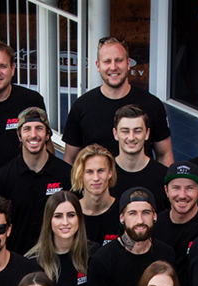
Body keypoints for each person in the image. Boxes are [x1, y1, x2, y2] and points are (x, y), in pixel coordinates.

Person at [63, 36, 173, 166]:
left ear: (128, 63)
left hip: (141, 179)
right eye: (107, 61)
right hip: (97, 178)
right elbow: (70, 160)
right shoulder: (81, 106)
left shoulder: (152, 104)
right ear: (98, 65)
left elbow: (164, 155)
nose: (113, 67)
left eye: (119, 60)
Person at [0, 107, 73, 254]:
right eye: (27, 129)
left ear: (47, 135)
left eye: (39, 128)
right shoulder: (4, 177)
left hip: (57, 256)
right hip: (17, 258)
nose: (33, 135)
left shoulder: (66, 174)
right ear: (19, 135)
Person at [110, 105, 169, 211]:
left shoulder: (163, 176)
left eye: (137, 131)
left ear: (147, 134)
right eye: (125, 131)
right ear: (115, 134)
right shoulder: (104, 175)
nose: (131, 137)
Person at [153, 162, 198, 273]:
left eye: (190, 188)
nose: (182, 195)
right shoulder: (154, 225)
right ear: (166, 191)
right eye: (176, 188)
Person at [71, 144, 121, 246]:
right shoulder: (70, 213)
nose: (96, 178)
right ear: (80, 174)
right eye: (89, 172)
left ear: (110, 173)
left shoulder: (123, 211)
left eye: (101, 171)